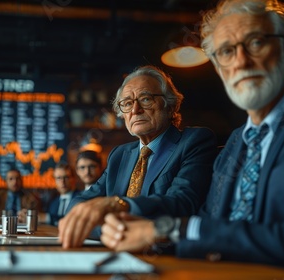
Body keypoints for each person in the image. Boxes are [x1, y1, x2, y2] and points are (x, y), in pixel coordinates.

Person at [100, 0, 284, 275]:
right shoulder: (236, 143)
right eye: (226, 51)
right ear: (219, 68)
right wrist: (148, 243)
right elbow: (208, 227)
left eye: (256, 43)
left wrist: (169, 229)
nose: (241, 61)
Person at [58, 65, 217, 248]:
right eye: (126, 103)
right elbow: (78, 205)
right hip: (116, 253)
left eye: (146, 99)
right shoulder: (119, 155)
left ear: (170, 106)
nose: (135, 109)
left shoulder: (194, 141)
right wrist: (115, 232)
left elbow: (182, 203)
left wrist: (119, 205)